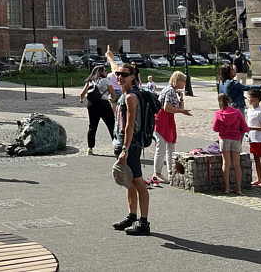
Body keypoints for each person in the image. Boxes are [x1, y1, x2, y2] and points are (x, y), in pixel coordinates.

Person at [110, 62, 150, 236]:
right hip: (121, 143)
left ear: (132, 77)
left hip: (130, 145)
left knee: (138, 182)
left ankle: (143, 221)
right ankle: (132, 216)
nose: (119, 77)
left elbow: (130, 125)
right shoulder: (123, 94)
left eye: (124, 75)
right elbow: (114, 67)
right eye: (118, 74)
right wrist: (111, 58)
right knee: (129, 181)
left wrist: (125, 149)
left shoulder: (130, 97)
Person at [150, 71, 192, 185]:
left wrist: (181, 99)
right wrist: (181, 111)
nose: (184, 84)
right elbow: (167, 107)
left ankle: (171, 172)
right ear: (177, 81)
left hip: (167, 120)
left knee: (171, 147)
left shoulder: (173, 91)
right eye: (183, 81)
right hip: (162, 120)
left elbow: (178, 107)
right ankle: (157, 173)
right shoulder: (170, 91)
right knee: (162, 148)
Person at [213, 93, 249, 195]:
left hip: (224, 139)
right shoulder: (237, 113)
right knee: (237, 164)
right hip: (236, 139)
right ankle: (238, 189)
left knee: (226, 164)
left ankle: (227, 188)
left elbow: (215, 128)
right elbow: (245, 128)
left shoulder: (219, 114)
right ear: (229, 101)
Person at [78, 65, 115, 156]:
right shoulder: (105, 81)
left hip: (92, 104)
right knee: (111, 125)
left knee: (92, 126)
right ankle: (116, 146)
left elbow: (82, 93)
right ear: (101, 72)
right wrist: (111, 99)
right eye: (105, 71)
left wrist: (81, 100)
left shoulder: (90, 81)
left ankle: (90, 148)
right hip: (103, 104)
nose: (106, 72)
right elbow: (113, 94)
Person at [246, 89, 261, 187]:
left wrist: (252, 128)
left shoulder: (260, 112)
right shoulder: (250, 110)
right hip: (252, 138)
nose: (248, 99)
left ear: (256, 99)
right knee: (255, 158)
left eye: (249, 97)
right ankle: (258, 178)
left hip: (259, 139)